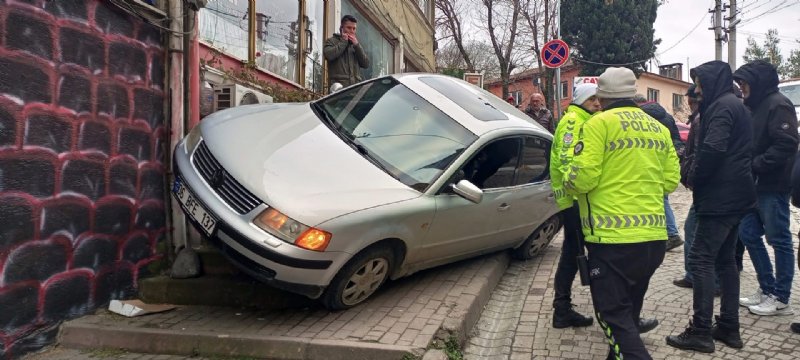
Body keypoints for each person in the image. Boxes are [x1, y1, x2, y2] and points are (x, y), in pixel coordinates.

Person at [563, 67, 680, 360]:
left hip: (611, 241)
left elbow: (583, 178)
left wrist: (568, 179)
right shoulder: (659, 128)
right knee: (629, 312)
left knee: (612, 317)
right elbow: (670, 182)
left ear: (601, 98)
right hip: (654, 241)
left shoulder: (598, 125)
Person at [666, 60, 756, 353]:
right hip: (737, 195)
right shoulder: (735, 105)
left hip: (720, 196)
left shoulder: (721, 108)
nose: (698, 89)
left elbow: (713, 149)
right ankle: (729, 326)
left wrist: (693, 176)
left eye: (701, 83)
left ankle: (701, 331)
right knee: (726, 261)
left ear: (713, 81)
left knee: (701, 259)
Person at [734, 59, 799, 316]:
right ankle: (766, 287)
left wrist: (756, 164)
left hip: (773, 186)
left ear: (757, 81)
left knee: (779, 240)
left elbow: (786, 144)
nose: (741, 87)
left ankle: (781, 298)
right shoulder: (754, 106)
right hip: (754, 186)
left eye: (744, 82)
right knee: (747, 233)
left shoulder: (778, 104)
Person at [548, 83, 600, 329]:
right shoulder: (573, 120)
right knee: (579, 254)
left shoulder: (583, 118)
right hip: (574, 200)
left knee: (572, 253)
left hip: (575, 200)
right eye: (592, 100)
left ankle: (563, 309)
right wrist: (581, 188)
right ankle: (565, 309)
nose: (597, 104)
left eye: (599, 99)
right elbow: (567, 159)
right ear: (581, 101)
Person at [634, 94, 685, 251]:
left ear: (637, 104)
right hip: (669, 155)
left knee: (661, 197)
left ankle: (671, 233)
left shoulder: (644, 116)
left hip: (655, 157)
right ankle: (667, 233)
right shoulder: (665, 114)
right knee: (662, 196)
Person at [323, 15, 370, 88]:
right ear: (341, 28)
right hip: (339, 90)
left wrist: (357, 46)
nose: (352, 31)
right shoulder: (332, 41)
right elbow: (329, 55)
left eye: (354, 28)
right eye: (349, 28)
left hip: (355, 90)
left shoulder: (355, 46)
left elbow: (366, 64)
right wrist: (343, 42)